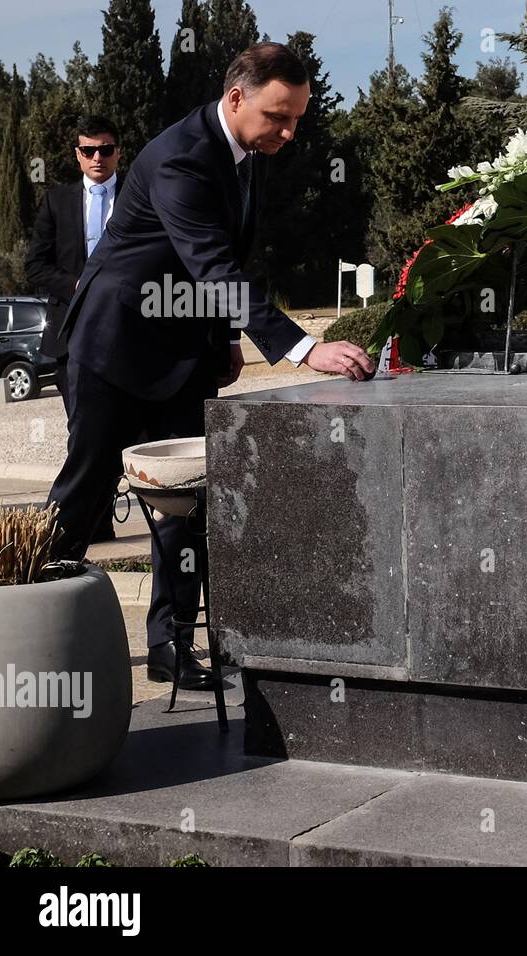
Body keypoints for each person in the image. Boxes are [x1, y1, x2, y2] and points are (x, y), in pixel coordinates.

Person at [48, 42, 373, 691]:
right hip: (114, 348)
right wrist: (306, 348)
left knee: (186, 509)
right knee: (84, 499)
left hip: (183, 354)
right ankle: (34, 630)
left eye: (297, 120)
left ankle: (170, 647)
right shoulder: (179, 157)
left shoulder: (247, 154)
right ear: (236, 99)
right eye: (279, 117)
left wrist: (226, 338)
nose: (288, 133)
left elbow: (227, 257)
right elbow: (213, 266)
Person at [25, 116, 122, 541]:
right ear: (77, 155)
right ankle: (88, 525)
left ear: (119, 151)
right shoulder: (57, 201)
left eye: (105, 149)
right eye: (88, 150)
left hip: (130, 333)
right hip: (73, 335)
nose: (97, 157)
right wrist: (79, 285)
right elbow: (35, 266)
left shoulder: (141, 195)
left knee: (127, 432)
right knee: (83, 431)